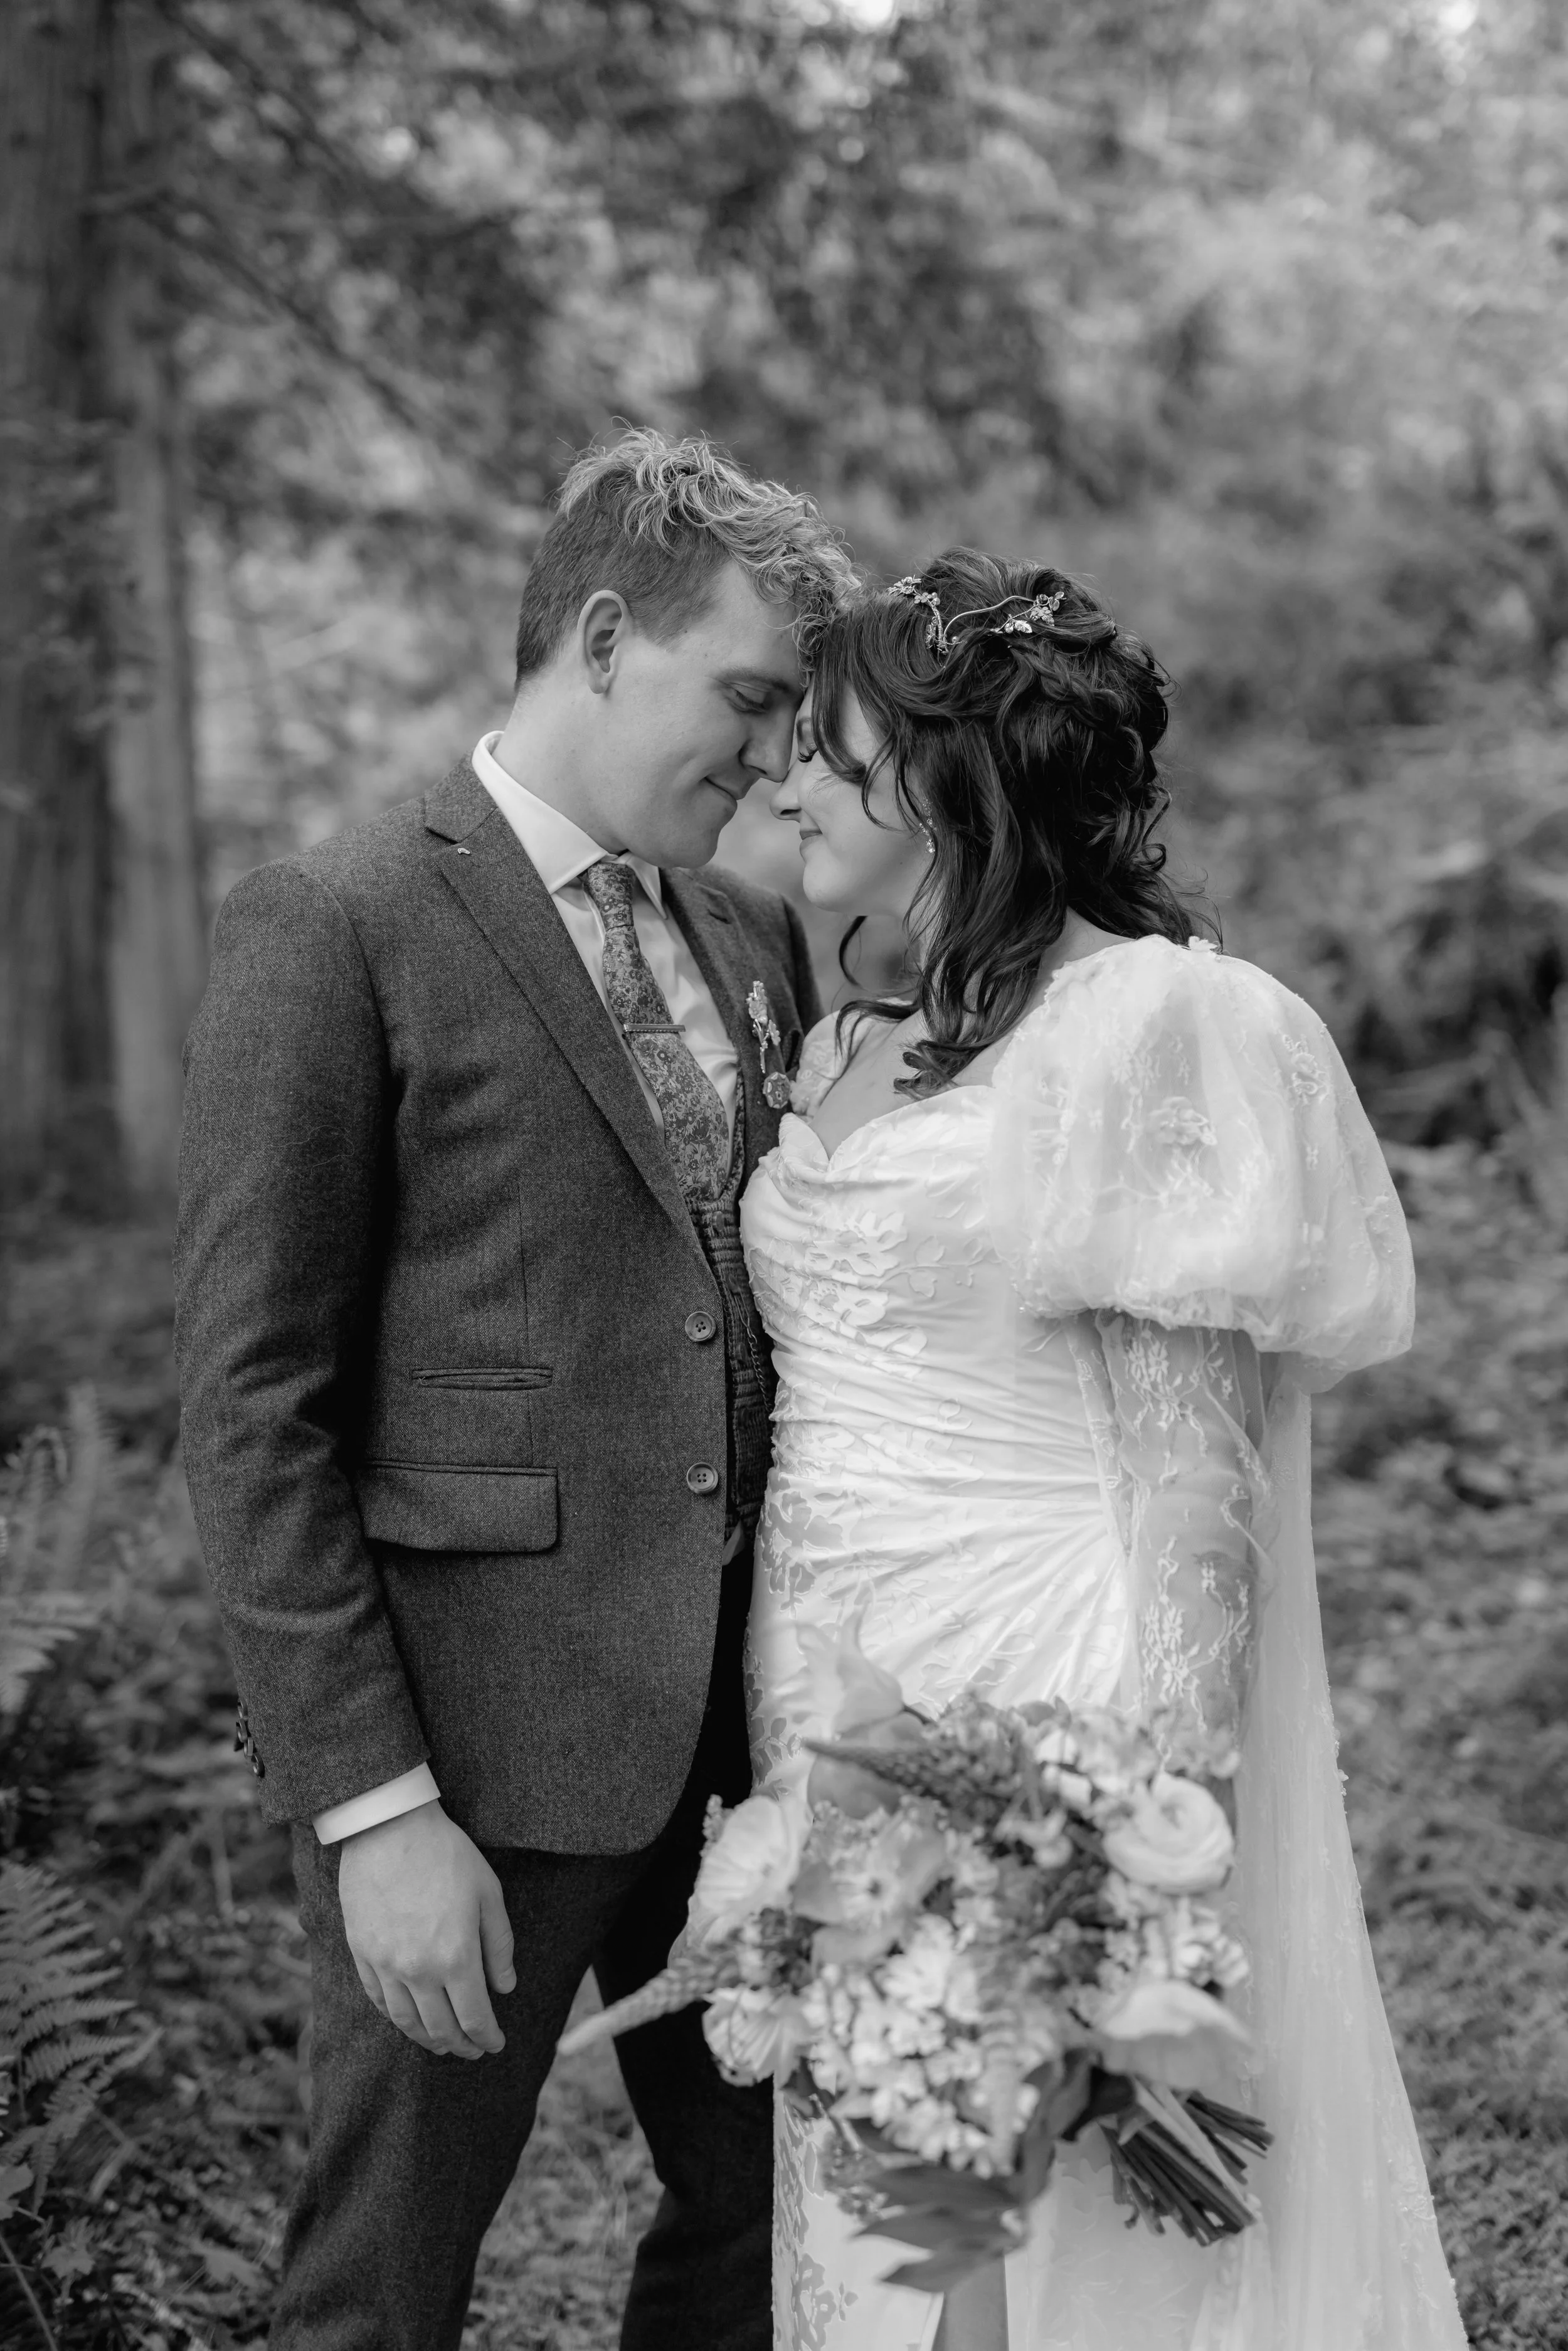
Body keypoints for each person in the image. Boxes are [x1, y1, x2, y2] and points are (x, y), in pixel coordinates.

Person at [739, 552, 1470, 2351]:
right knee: (884, 2215)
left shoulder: (1144, 1028)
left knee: (1051, 2233)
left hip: (1036, 1696)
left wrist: (1153, 1866)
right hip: (831, 1680)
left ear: (944, 787)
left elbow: (1196, 1490)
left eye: (827, 756)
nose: (785, 785)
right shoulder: (845, 1027)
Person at [173, 428, 855, 2351]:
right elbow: (252, 1401)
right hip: (476, 1752)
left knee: (770, 2227)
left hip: (745, 1735)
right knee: (380, 2281)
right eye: (747, 698)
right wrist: (372, 1805)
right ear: (609, 636)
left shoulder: (738, 925)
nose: (773, 758)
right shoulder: (341, 920)